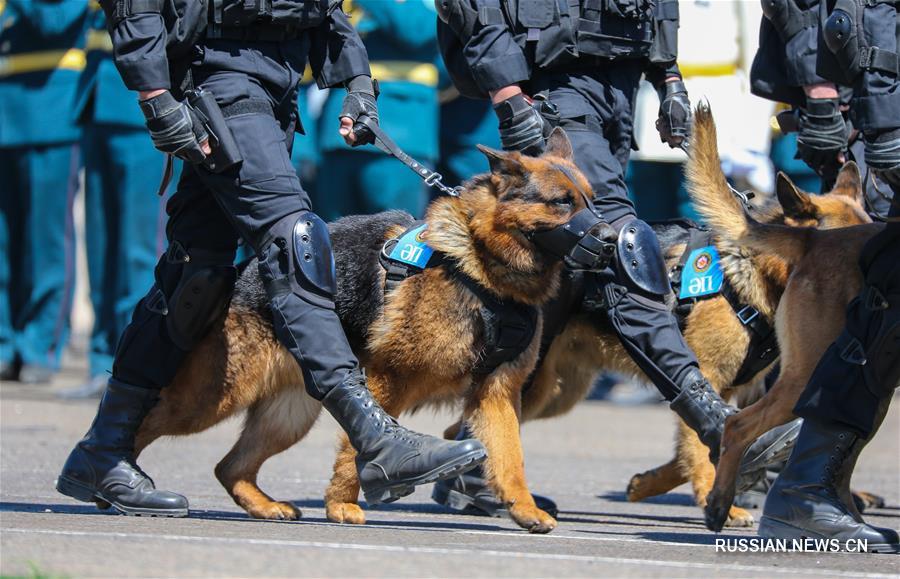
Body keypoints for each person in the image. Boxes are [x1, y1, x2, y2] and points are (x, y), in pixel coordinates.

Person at [56, 0, 485, 517]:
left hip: (274, 86)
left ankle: (102, 451)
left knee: (196, 279)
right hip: (218, 77)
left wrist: (357, 81)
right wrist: (153, 90)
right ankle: (377, 439)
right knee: (297, 240)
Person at [433, 0, 797, 515]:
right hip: (552, 86)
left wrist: (667, 76)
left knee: (567, 284)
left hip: (618, 85)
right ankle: (714, 421)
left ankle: (471, 461)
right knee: (623, 247)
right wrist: (507, 90)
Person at [754, 0, 900, 552]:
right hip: (878, 111)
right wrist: (822, 92)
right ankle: (805, 490)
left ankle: (808, 486)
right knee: (883, 311)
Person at [60, 1, 173, 399]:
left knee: (139, 249)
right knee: (102, 244)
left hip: (142, 107)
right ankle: (101, 360)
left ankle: (132, 368)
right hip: (98, 100)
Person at [0, 0, 87, 384]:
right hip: (6, 113)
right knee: (3, 246)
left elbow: (55, 20)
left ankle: (40, 346)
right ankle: (4, 344)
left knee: (46, 241)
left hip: (51, 113)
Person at [316, 0, 440, 220]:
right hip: (339, 130)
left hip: (401, 131)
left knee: (396, 237)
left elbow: (417, 29)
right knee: (332, 239)